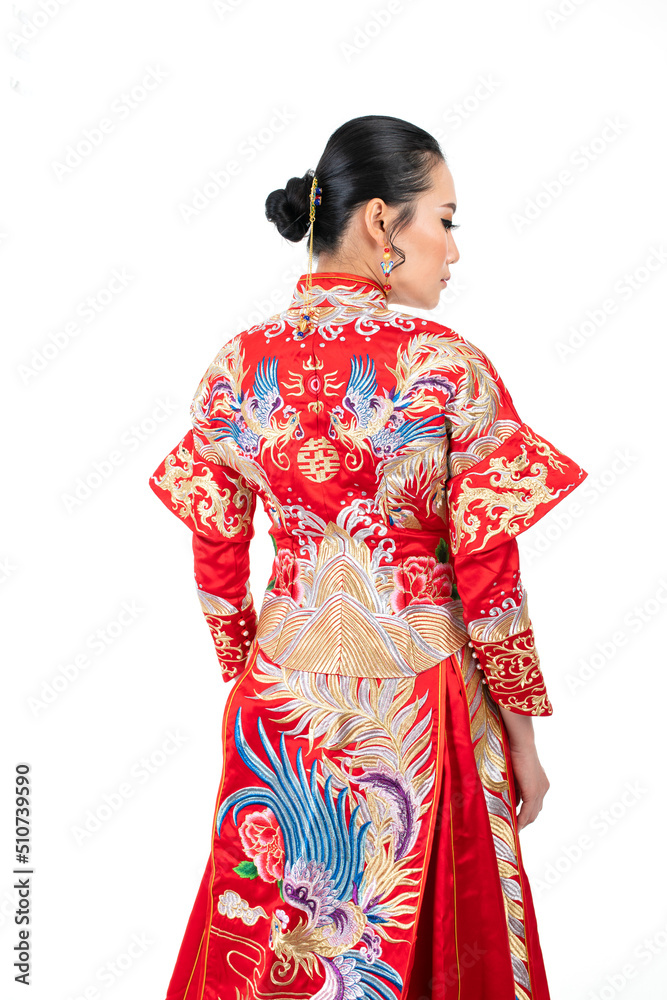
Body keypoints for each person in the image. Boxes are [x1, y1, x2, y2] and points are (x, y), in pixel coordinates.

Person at [148, 114, 588, 1000]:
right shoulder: (444, 366)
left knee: (274, 943)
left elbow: (214, 554)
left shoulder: (233, 369)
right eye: (447, 220)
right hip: (422, 700)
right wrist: (521, 733)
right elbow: (490, 580)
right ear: (383, 223)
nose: (453, 253)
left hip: (277, 706)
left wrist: (252, 674)